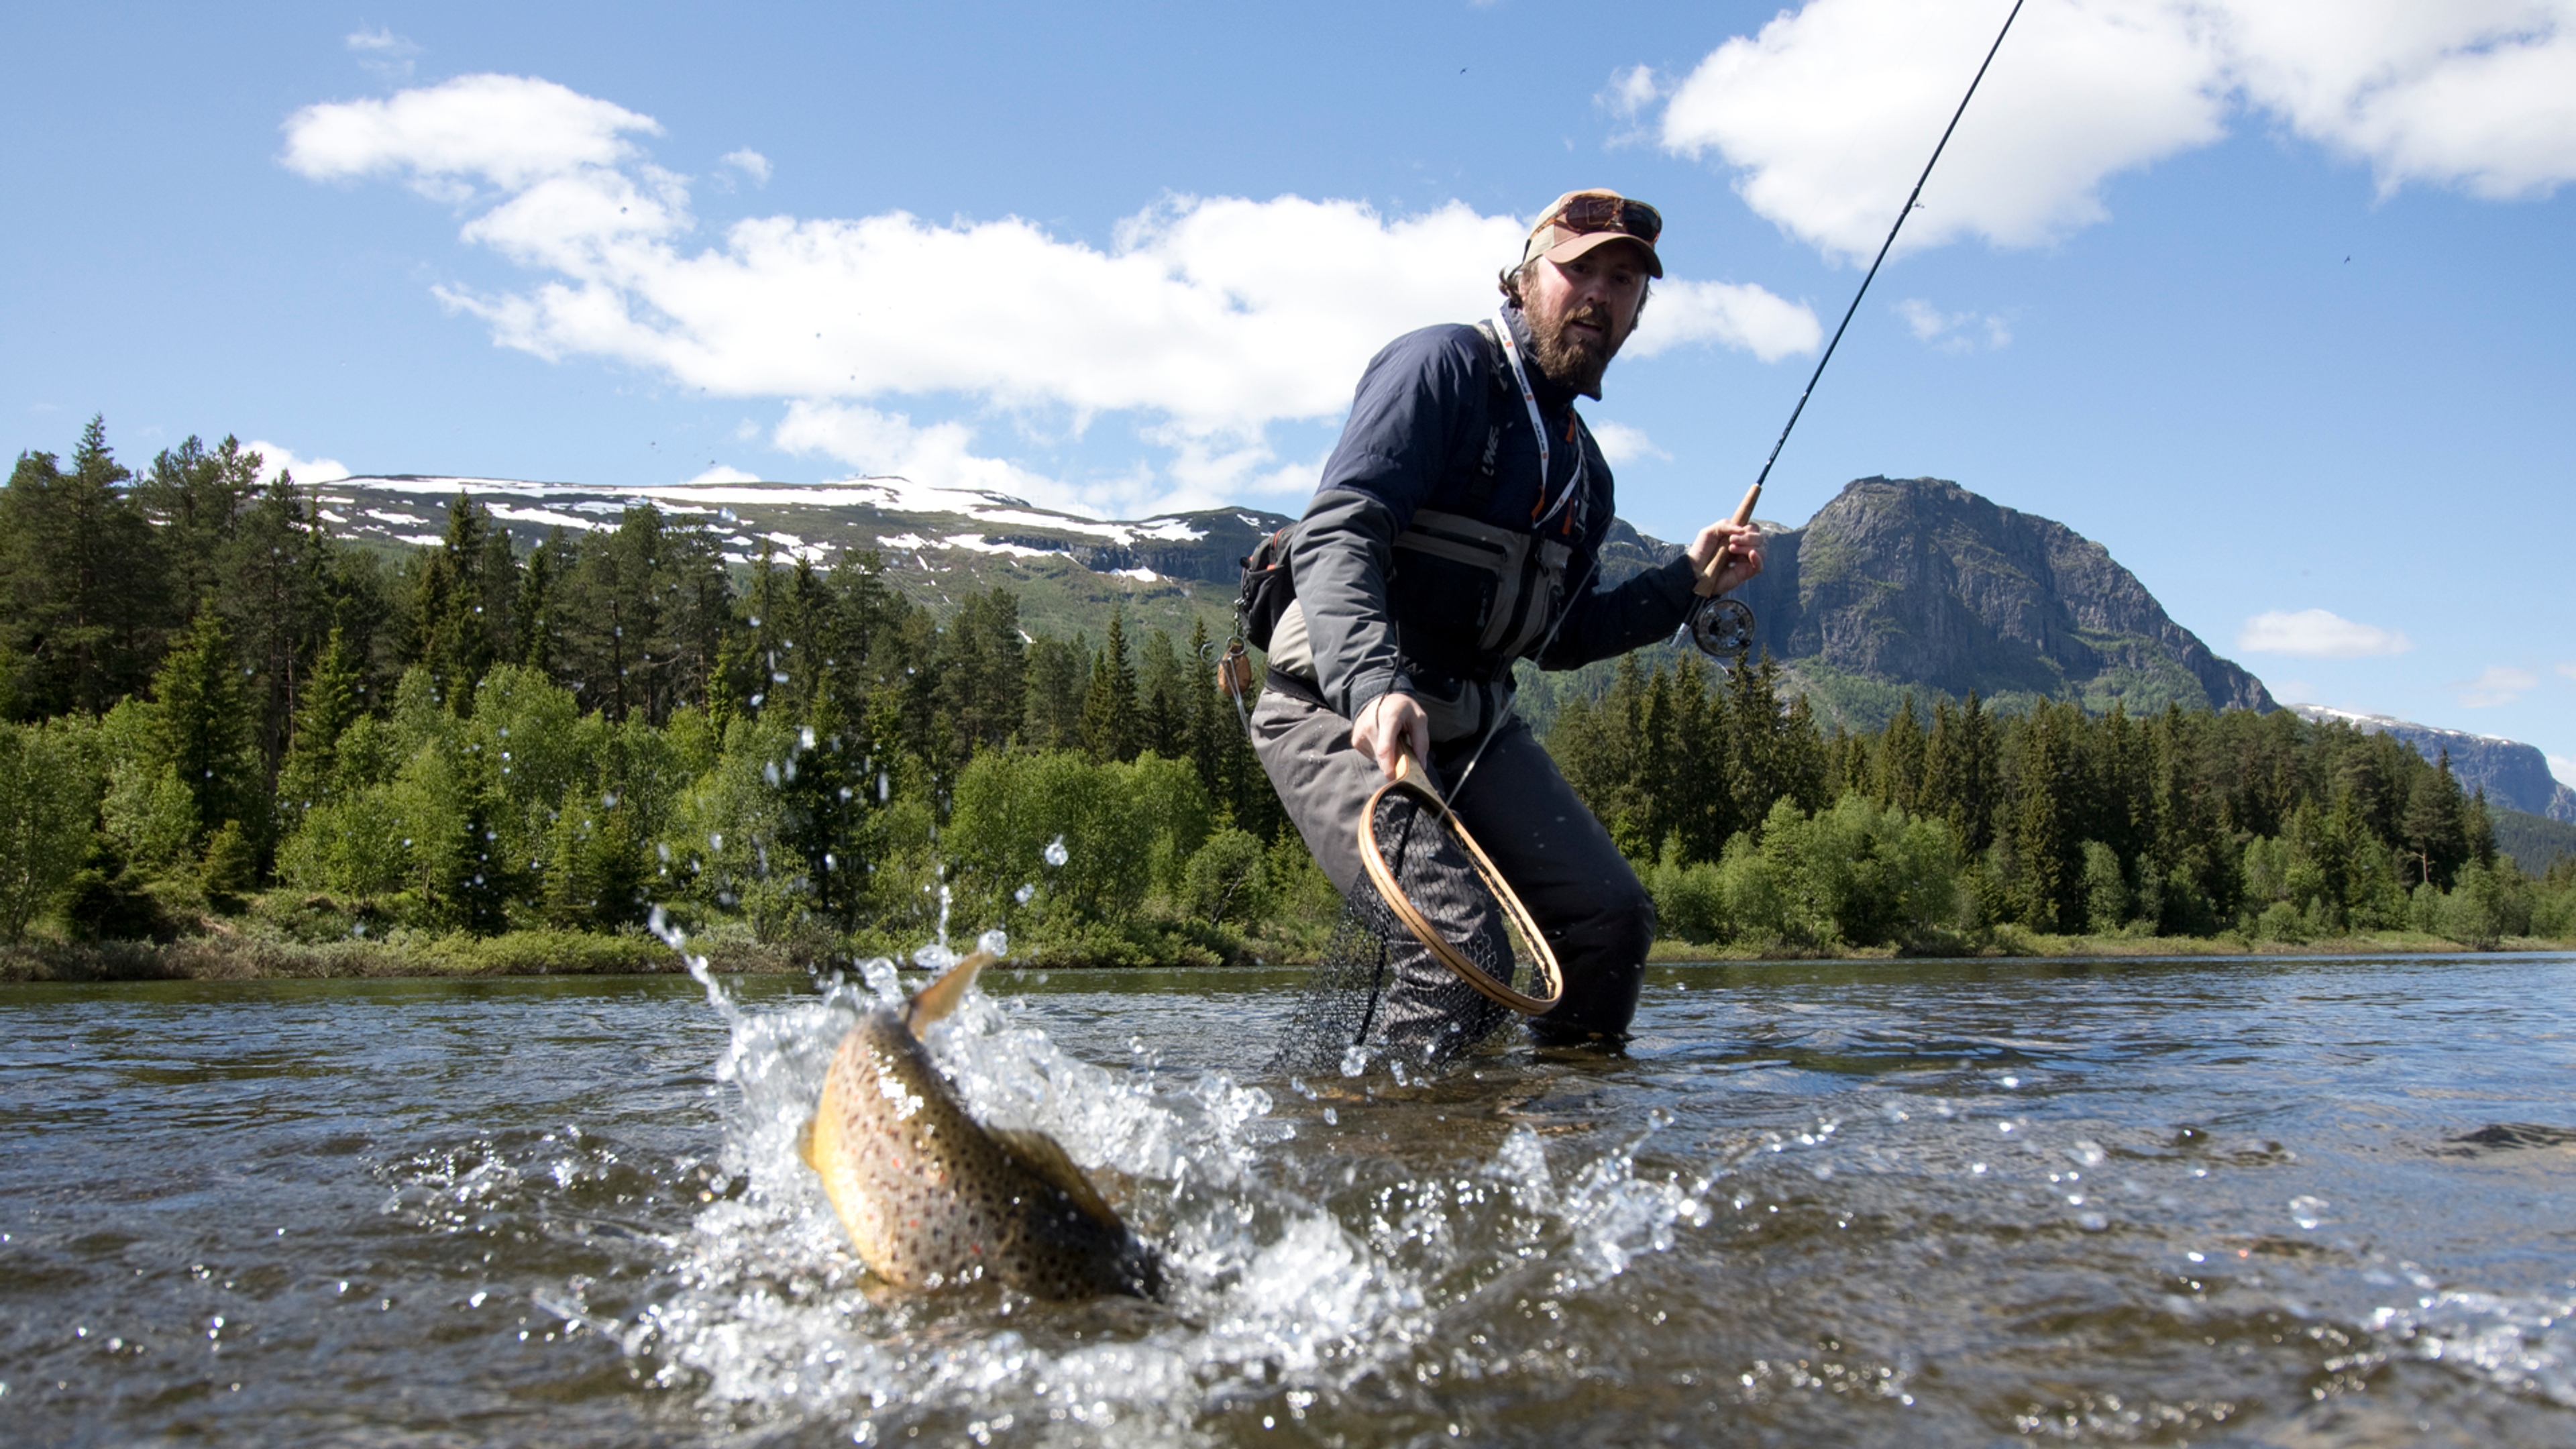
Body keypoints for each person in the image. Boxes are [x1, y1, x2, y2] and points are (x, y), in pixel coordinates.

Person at [1252, 188, 1765, 1059]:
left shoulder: (1587, 477)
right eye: (1580, 272)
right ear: (1526, 278)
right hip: (1334, 709)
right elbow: (1342, 530)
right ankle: (1392, 1159)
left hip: (1475, 729)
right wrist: (1375, 689)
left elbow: (1559, 639)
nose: (1602, 295)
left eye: (1625, 281)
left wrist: (1685, 584)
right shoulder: (1443, 366)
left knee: (1609, 921)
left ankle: (1557, 1148)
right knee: (1453, 948)